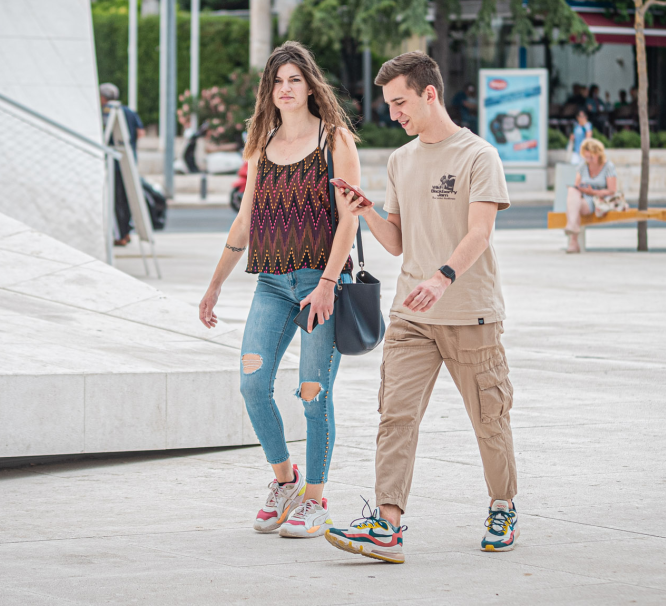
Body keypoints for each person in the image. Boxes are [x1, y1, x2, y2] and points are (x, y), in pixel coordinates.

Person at [324, 52, 517, 564]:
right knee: (396, 416)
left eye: (400, 102)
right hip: (412, 313)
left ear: (430, 94)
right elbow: (395, 242)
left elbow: (480, 231)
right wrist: (365, 210)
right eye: (389, 104)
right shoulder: (400, 160)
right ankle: (386, 525)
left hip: (470, 312)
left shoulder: (478, 156)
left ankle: (502, 506)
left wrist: (443, 276)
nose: (394, 115)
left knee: (489, 419)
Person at [198, 41, 362, 538]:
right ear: (268, 91)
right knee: (252, 384)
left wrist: (331, 283)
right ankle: (284, 480)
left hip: (320, 283)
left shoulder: (335, 140)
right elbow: (245, 220)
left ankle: (315, 499)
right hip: (270, 283)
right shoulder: (261, 145)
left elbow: (351, 216)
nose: (285, 89)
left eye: (294, 79)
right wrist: (213, 287)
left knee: (314, 393)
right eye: (277, 81)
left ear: (310, 84)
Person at [100, 83, 144, 246]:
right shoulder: (129, 111)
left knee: (116, 200)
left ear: (103, 97)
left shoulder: (105, 112)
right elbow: (141, 132)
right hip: (130, 161)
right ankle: (126, 232)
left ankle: (120, 235)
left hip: (114, 164)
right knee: (128, 199)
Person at [564, 137, 617, 253]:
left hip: (599, 200)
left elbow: (612, 191)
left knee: (574, 206)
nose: (589, 160)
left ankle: (573, 240)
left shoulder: (608, 167)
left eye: (591, 157)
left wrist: (593, 192)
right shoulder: (583, 166)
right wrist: (582, 189)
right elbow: (576, 185)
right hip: (585, 198)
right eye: (586, 157)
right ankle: (573, 229)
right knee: (572, 191)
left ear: (598, 154)